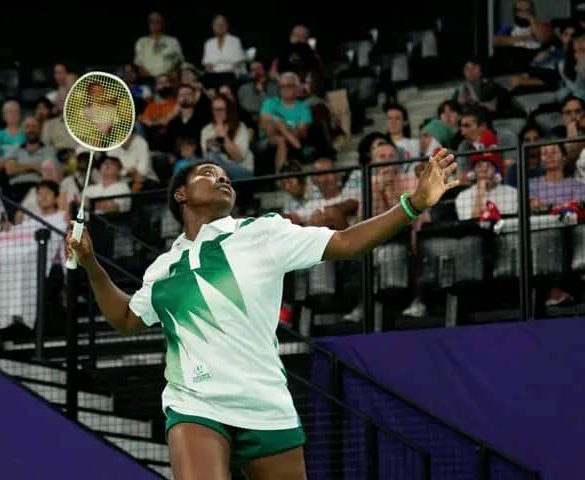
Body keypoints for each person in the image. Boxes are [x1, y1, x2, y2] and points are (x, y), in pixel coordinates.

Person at [65, 149, 459, 480]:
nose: (222, 178)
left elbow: (347, 241)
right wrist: (92, 264)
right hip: (196, 403)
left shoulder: (263, 233)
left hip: (265, 402)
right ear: (181, 194)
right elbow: (126, 320)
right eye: (208, 173)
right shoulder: (164, 268)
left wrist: (413, 204)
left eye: (225, 176)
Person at [259, 72, 312, 172]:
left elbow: (301, 131)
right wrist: (282, 125)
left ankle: (280, 177)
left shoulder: (303, 107)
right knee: (274, 123)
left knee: (281, 140)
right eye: (282, 86)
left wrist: (280, 126)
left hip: (289, 138)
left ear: (297, 87)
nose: (285, 89)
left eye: (289, 86)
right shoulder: (270, 102)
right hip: (269, 138)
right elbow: (264, 123)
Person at [3, 116, 57, 203]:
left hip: (39, 188)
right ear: (23, 130)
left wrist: (19, 166)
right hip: (16, 189)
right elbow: (10, 170)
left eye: (34, 126)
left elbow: (47, 172)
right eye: (27, 127)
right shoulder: (15, 149)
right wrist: (34, 167)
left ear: (39, 129)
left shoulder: (49, 150)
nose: (31, 130)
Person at [200, 94, 254, 179]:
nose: (218, 113)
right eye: (215, 110)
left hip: (241, 168)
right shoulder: (207, 130)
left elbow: (239, 157)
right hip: (217, 168)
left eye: (221, 109)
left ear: (228, 110)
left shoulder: (240, 127)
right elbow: (207, 158)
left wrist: (224, 136)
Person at [455, 153, 518, 221]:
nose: (484, 170)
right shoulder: (463, 196)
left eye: (489, 166)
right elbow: (470, 224)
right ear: (473, 171)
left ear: (497, 171)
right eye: (479, 166)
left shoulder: (512, 192)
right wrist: (480, 193)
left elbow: (508, 222)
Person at [134, 11, 184, 80]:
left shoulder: (173, 41)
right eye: (152, 21)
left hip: (168, 80)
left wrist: (164, 78)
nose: (155, 24)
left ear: (163, 23)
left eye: (157, 21)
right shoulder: (141, 42)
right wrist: (152, 79)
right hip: (148, 80)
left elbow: (178, 62)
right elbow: (139, 64)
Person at [202, 15, 246, 80]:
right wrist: (212, 75)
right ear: (213, 27)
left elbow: (239, 62)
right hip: (214, 75)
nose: (220, 26)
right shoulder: (209, 43)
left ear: (227, 26)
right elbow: (207, 64)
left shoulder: (235, 40)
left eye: (222, 24)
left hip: (232, 74)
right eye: (217, 25)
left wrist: (226, 72)